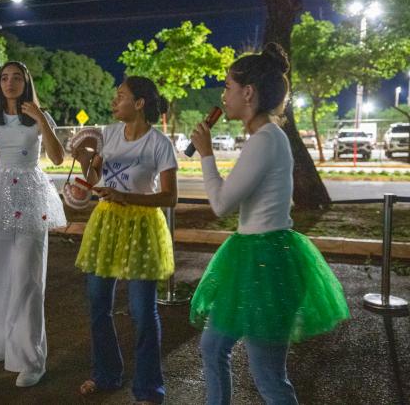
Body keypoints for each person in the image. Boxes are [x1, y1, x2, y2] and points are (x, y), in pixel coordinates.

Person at [188, 43, 350, 405]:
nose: (223, 95)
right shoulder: (266, 138)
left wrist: (207, 154)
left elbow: (221, 204)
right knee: (214, 346)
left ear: (248, 93)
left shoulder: (265, 140)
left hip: (266, 263)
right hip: (254, 255)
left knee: (269, 377)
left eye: (228, 87)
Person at [0, 61, 67, 387]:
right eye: (4, 77)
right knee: (1, 275)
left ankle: (32, 360)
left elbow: (58, 158)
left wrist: (42, 120)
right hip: (1, 200)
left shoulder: (38, 116)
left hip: (32, 200)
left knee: (28, 279)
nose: (9, 82)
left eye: (16, 77)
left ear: (26, 82)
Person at [74, 76, 178, 405]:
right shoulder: (108, 134)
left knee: (142, 312)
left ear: (140, 103)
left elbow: (170, 197)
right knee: (97, 304)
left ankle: (149, 389)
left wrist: (126, 196)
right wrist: (85, 162)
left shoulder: (159, 144)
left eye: (121, 96)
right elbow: (94, 177)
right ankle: (106, 374)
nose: (114, 101)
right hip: (106, 223)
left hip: (143, 227)